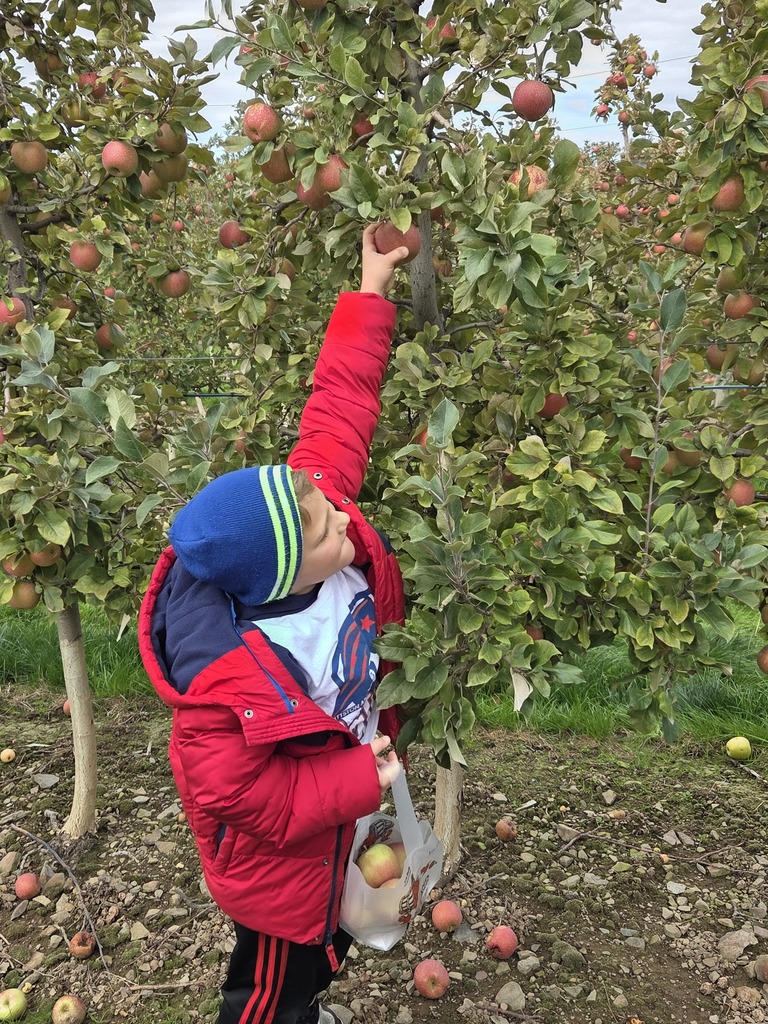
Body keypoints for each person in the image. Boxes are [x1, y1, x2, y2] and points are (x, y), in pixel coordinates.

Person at [138, 224, 411, 1024]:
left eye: (328, 507)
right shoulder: (225, 694)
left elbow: (341, 404)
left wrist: (371, 287)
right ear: (282, 578)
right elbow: (250, 799)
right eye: (329, 530)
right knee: (269, 986)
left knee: (332, 948)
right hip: (279, 868)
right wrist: (361, 779)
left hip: (345, 822)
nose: (347, 523)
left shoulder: (305, 515)